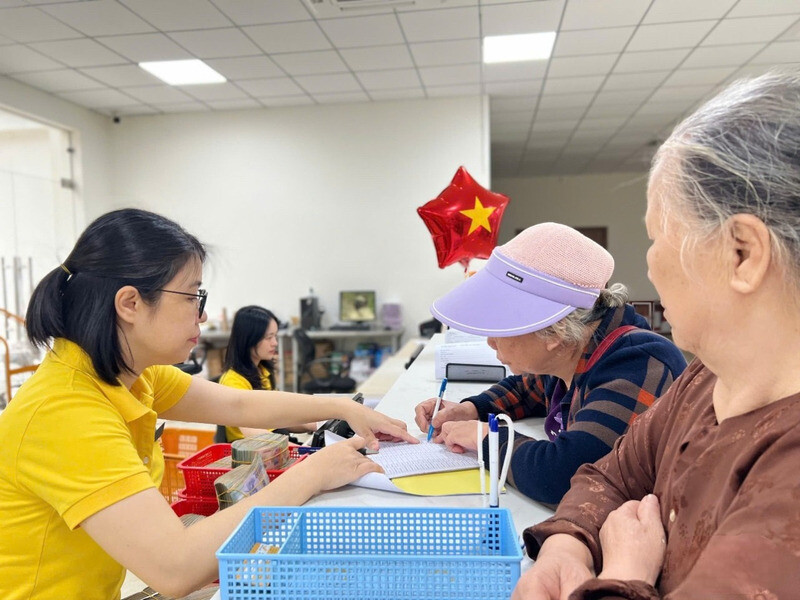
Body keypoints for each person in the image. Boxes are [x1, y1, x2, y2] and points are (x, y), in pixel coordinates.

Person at [0, 208, 416, 600]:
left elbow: (238, 405)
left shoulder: (131, 374)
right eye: (191, 297)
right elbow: (175, 568)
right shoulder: (65, 411)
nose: (201, 315)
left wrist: (343, 407)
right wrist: (313, 473)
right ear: (130, 304)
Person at [512, 70, 800, 600]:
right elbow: (608, 477)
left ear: (743, 253)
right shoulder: (703, 380)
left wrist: (626, 577)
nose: (650, 264)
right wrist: (566, 548)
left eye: (658, 237)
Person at [414, 222, 687, 504]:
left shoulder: (638, 365)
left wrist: (487, 438)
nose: (491, 342)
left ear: (555, 332)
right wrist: (470, 410)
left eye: (502, 327)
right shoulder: (571, 353)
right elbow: (525, 390)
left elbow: (562, 475)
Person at [218, 305, 314, 442]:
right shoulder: (233, 382)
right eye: (269, 338)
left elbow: (278, 417)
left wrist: (311, 424)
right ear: (249, 339)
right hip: (254, 449)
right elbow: (254, 434)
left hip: (274, 442)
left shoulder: (262, 371)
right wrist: (294, 448)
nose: (275, 343)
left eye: (275, 336)